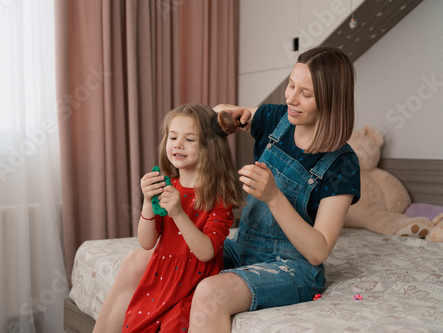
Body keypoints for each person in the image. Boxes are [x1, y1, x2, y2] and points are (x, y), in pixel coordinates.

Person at [93, 46, 361, 332]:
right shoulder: (276, 119)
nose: (291, 99)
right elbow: (218, 114)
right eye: (291, 85)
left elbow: (318, 251)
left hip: (292, 267)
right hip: (243, 248)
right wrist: (228, 115)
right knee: (136, 261)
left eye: (305, 94)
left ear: (331, 100)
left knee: (210, 292)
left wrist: (273, 198)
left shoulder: (342, 164)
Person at [93, 104, 245, 333]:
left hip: (193, 286)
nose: (178, 144)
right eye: (172, 137)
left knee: (172, 326)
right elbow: (146, 243)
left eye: (190, 139)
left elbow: (206, 252)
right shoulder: (168, 186)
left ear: (210, 147)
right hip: (160, 279)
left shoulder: (219, 197)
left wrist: (178, 214)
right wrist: (147, 202)